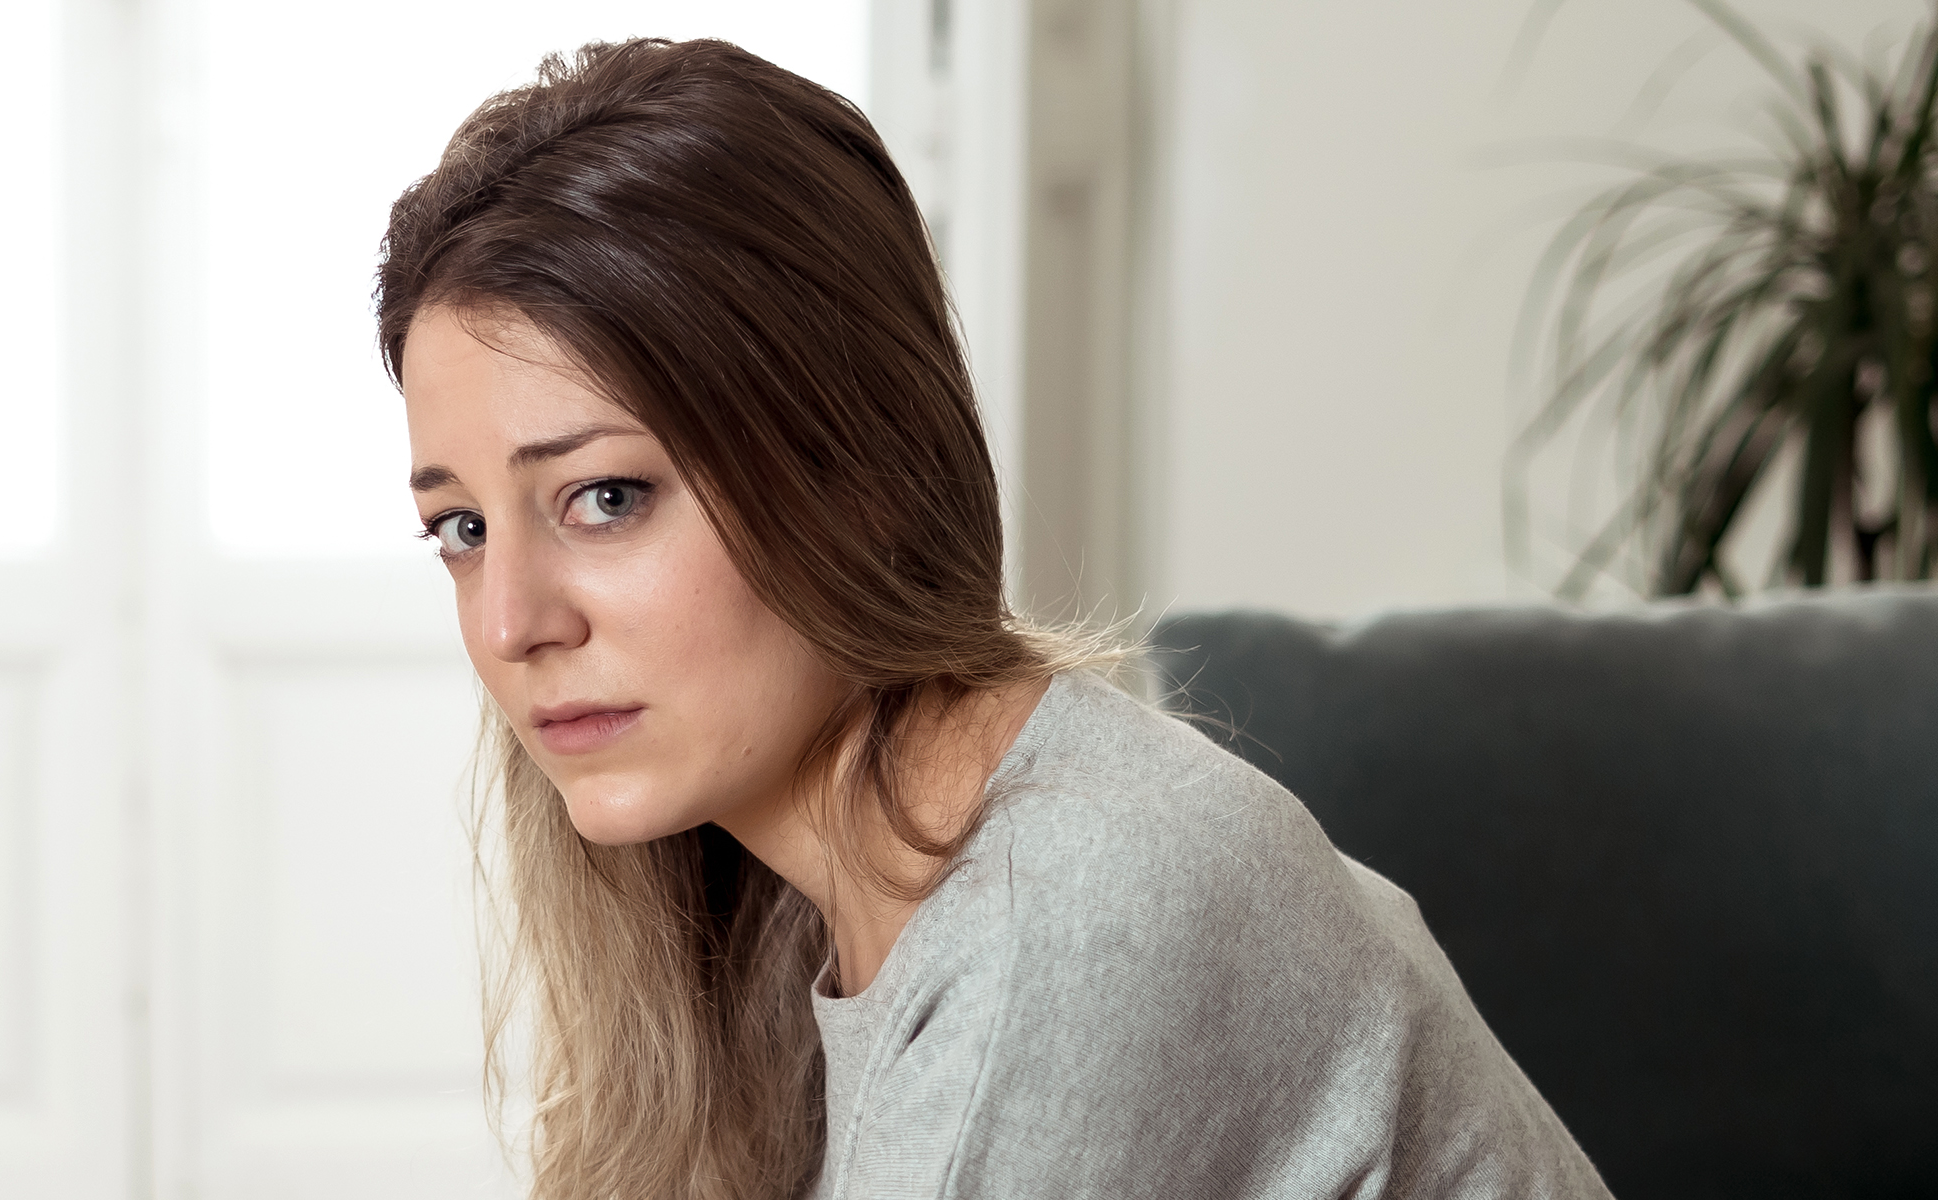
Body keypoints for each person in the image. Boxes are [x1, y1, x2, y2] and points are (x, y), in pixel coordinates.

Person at [378, 37, 1611, 1200]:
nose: (510, 623)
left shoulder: (1068, 920)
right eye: (463, 529)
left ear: (854, 472)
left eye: (605, 497)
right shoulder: (794, 908)